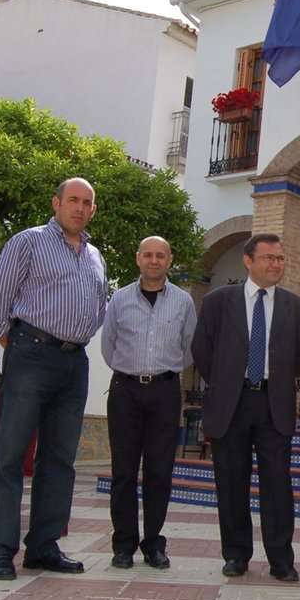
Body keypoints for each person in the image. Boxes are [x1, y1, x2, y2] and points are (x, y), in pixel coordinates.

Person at [0, 177, 108, 581]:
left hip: (75, 361)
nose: (80, 208)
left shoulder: (95, 256)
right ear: (56, 203)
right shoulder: (29, 241)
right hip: (31, 353)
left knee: (60, 459)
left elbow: (98, 307)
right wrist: (15, 341)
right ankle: (2, 551)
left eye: (87, 203)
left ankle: (43, 546)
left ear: (93, 210)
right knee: (10, 455)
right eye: (73, 200)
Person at [190, 233, 300, 582]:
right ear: (248, 261)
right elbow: (202, 350)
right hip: (232, 402)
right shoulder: (217, 301)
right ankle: (236, 555)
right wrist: (226, 382)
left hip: (274, 403)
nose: (276, 264)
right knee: (230, 481)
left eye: (280, 258)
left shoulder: (296, 306)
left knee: (278, 484)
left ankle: (281, 560)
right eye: (269, 257)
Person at [101, 236, 196, 570]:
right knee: (123, 472)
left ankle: (154, 544)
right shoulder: (120, 299)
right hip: (125, 391)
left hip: (165, 392)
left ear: (169, 260)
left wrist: (162, 373)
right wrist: (131, 371)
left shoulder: (183, 302)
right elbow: (109, 345)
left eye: (160, 256)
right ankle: (123, 545)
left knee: (159, 471)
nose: (154, 261)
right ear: (138, 258)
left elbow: (189, 348)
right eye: (148, 255)